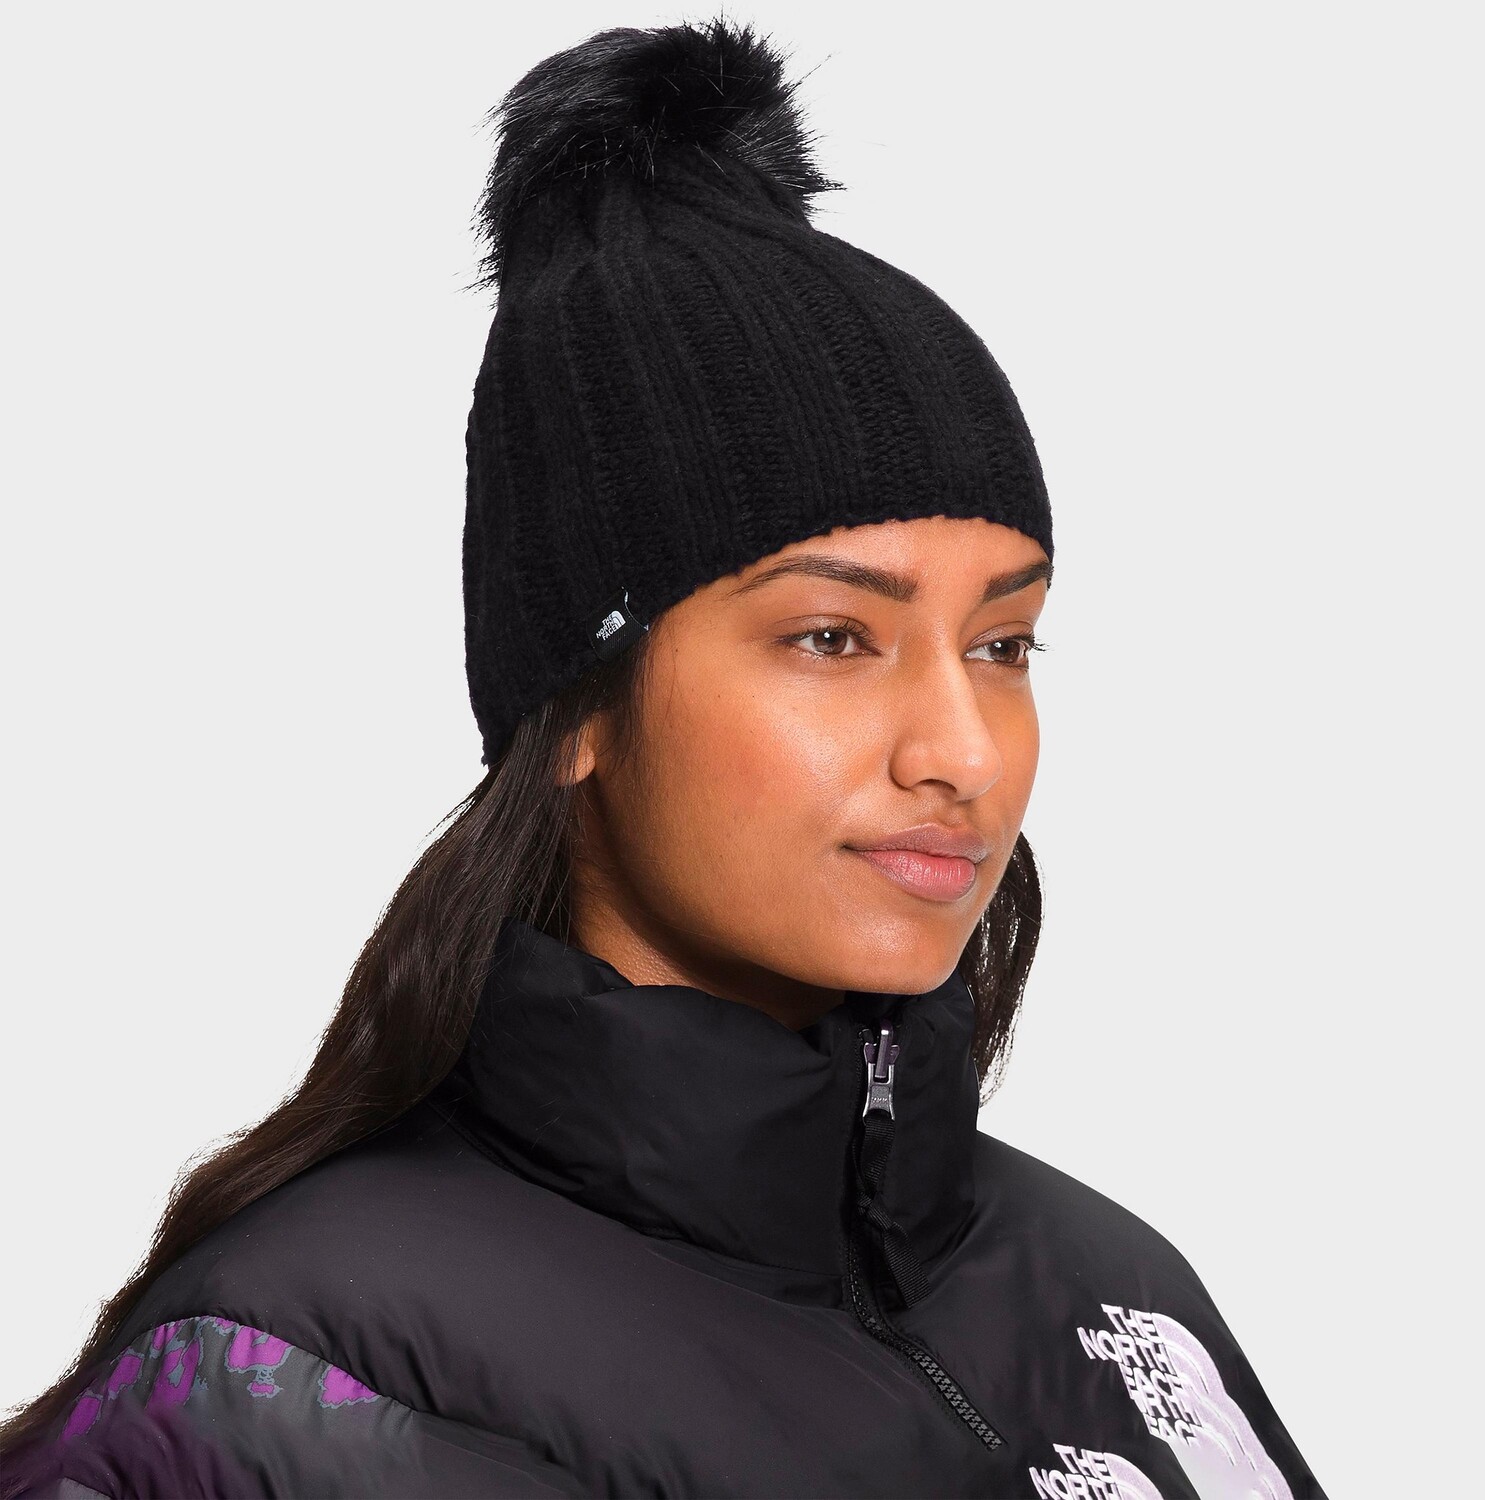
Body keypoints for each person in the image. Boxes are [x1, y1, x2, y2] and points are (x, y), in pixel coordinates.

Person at [0, 18, 1325, 1500]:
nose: (964, 751)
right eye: (832, 637)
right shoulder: (275, 1392)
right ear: (578, 707)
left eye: (1004, 645)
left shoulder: (1109, 1286)